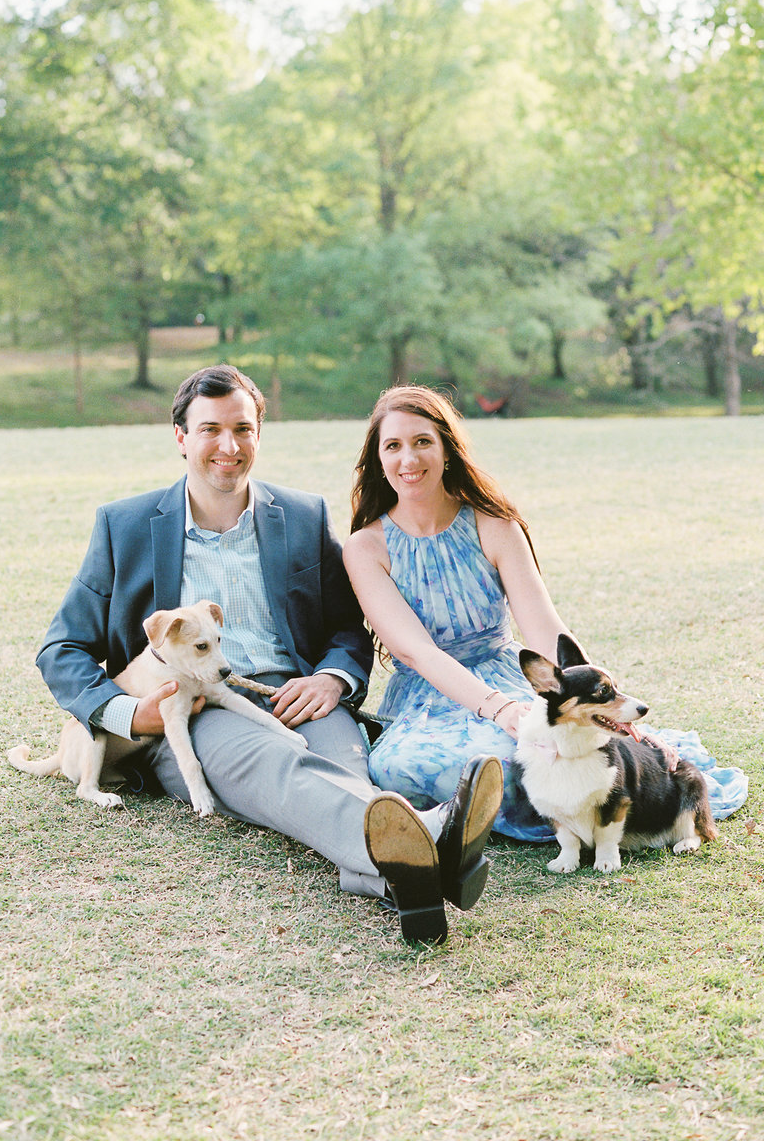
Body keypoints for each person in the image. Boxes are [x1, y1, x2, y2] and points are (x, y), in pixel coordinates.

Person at [35, 364, 503, 944]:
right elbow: (62, 648)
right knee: (281, 770)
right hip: (198, 707)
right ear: (180, 436)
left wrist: (332, 677)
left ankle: (403, 882)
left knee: (345, 766)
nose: (228, 446)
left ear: (259, 433)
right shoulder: (123, 525)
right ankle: (434, 836)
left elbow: (345, 625)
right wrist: (131, 715)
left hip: (295, 691)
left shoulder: (302, 516)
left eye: (243, 428)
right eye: (209, 429)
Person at [344, 384, 585, 842]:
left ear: (446, 450)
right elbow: (417, 653)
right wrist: (501, 712)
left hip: (506, 674)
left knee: (536, 748)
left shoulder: (494, 525)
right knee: (399, 768)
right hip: (429, 693)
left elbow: (544, 628)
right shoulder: (365, 548)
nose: (408, 460)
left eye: (422, 442)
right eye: (392, 446)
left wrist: (594, 699)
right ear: (378, 459)